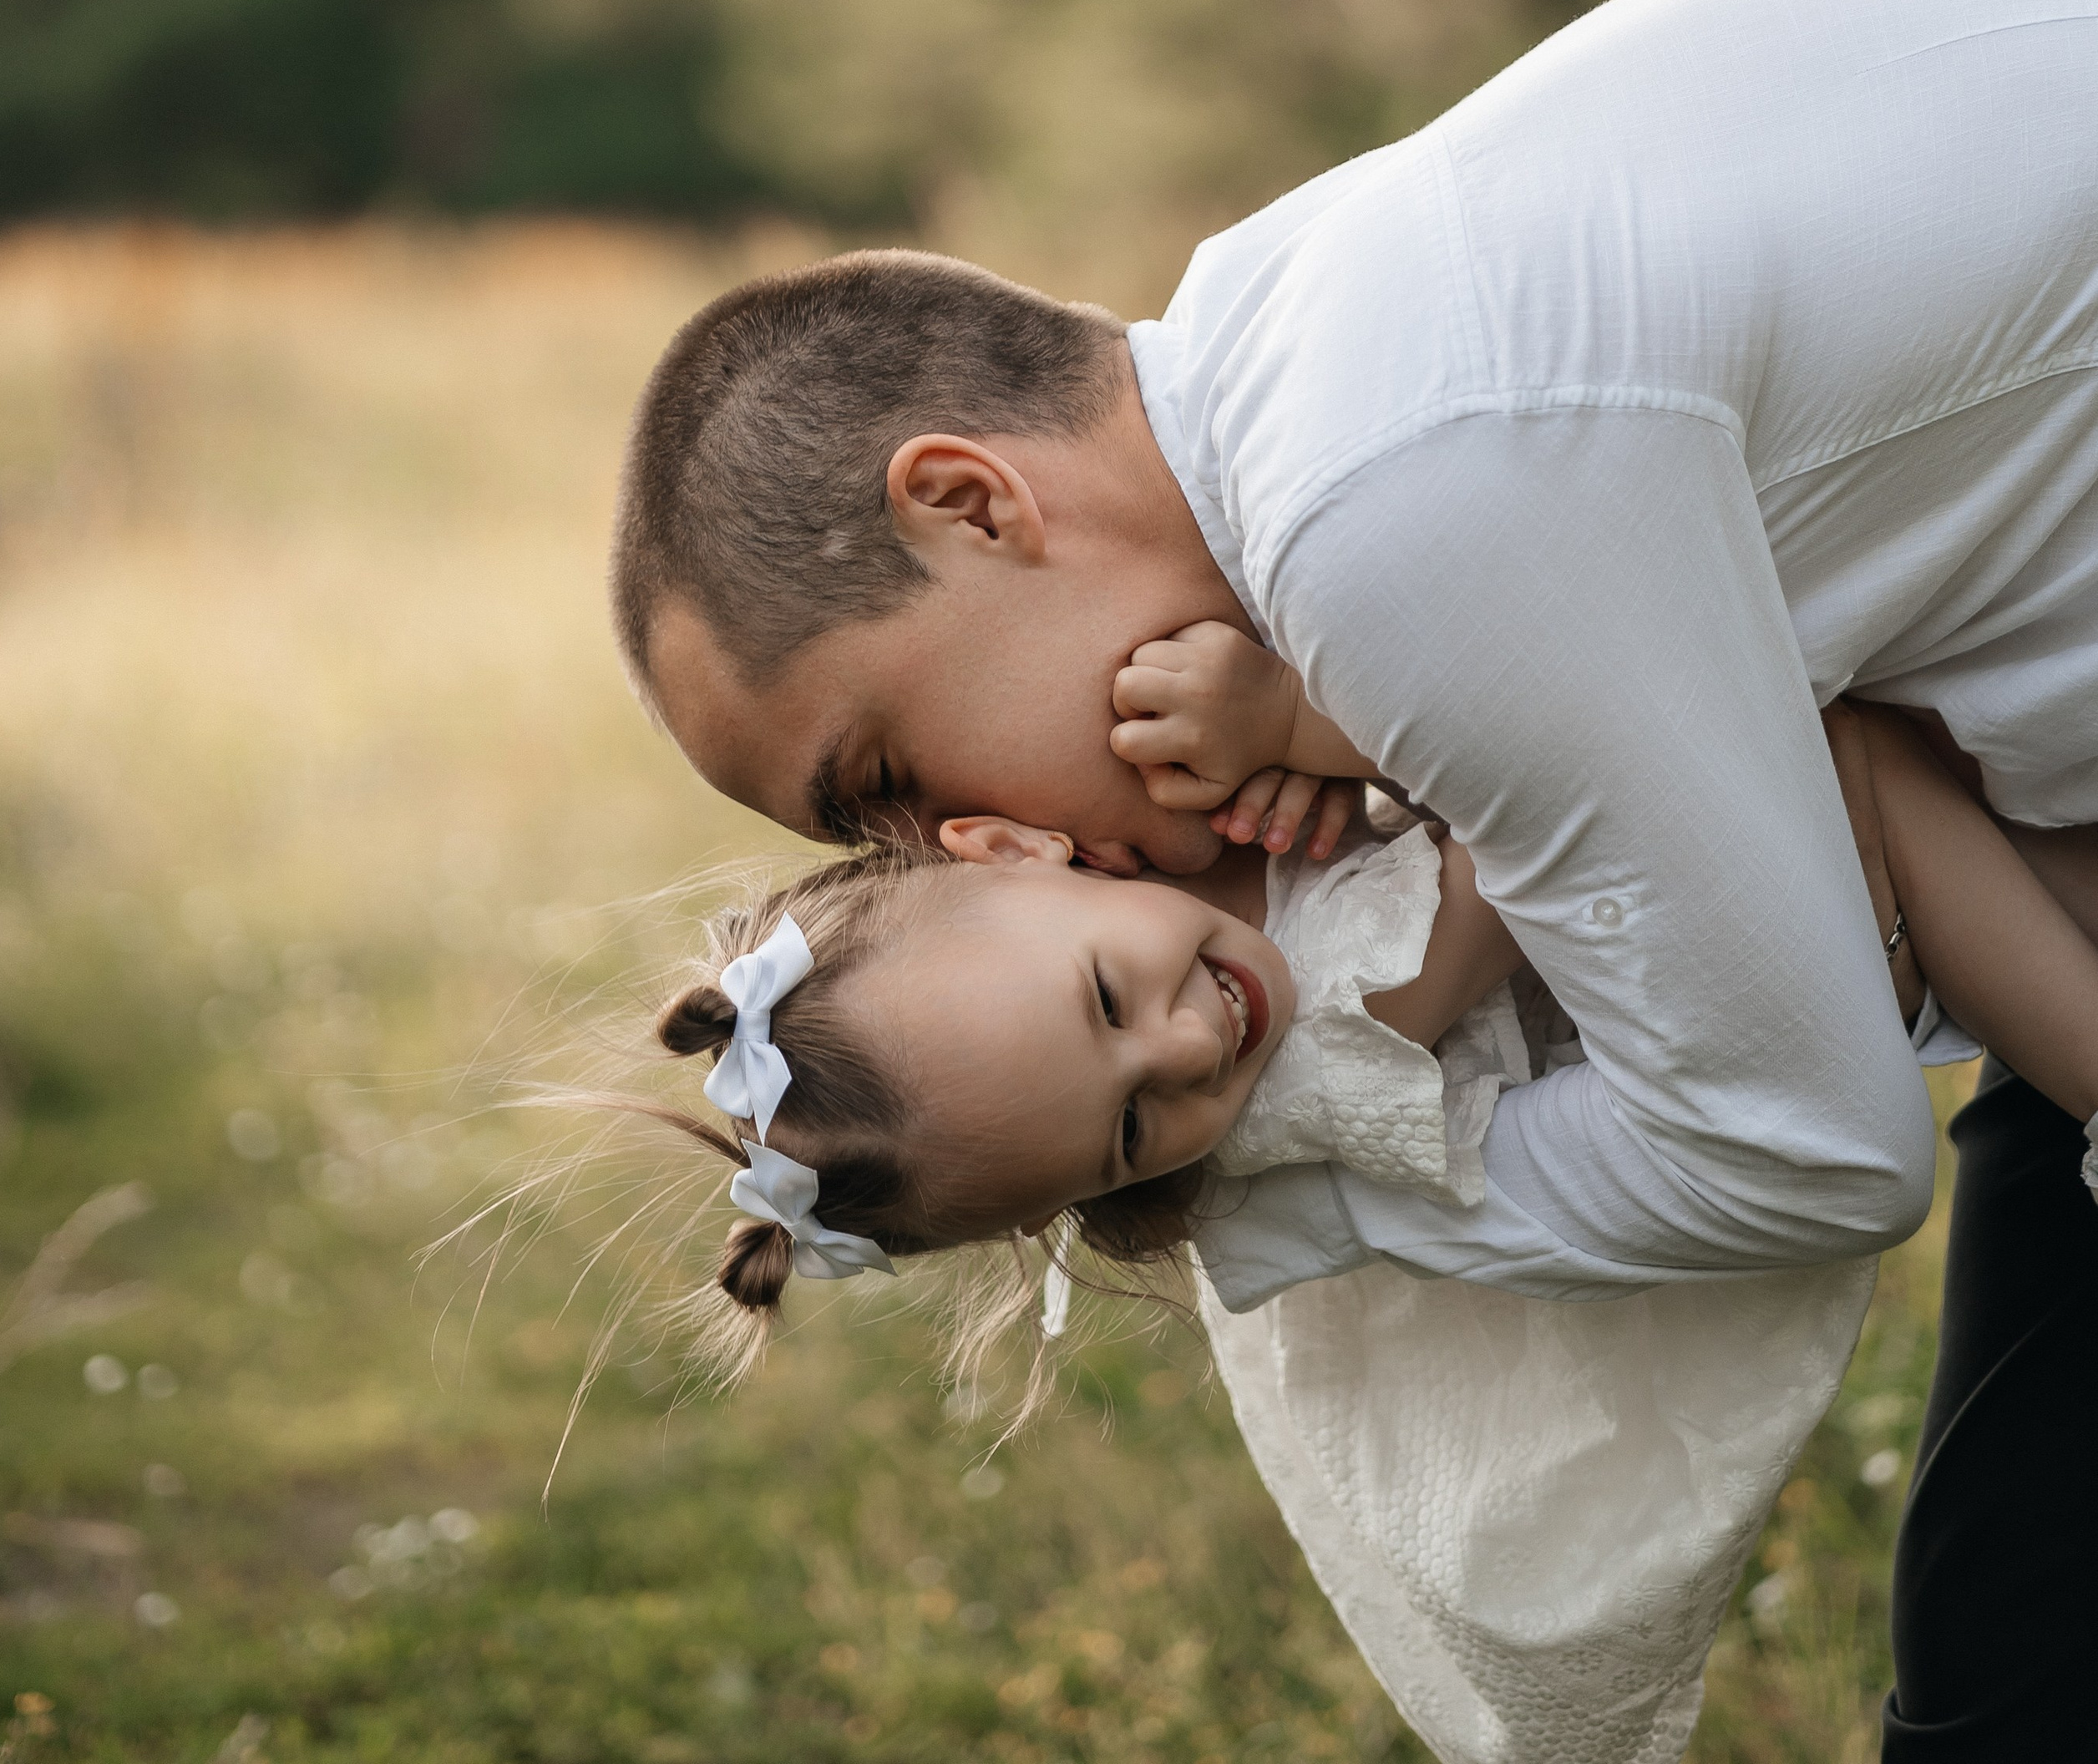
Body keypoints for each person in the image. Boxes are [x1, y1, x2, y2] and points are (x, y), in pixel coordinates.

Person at [611, 0, 2098, 1756]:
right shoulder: (1310, 328)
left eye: (885, 781)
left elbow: (1805, 1157)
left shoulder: (1388, 513)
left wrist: (1317, 1184)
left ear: (970, 503)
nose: (973, 841)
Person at [648, 678, 2098, 1760]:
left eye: (1104, 996)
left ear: (1015, 850)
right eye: (1133, 1131)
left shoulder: (1208, 866)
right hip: (1814, 897)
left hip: (1803, 868)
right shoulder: (1341, 1021)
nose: (1187, 1047)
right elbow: (1537, 792)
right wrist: (1305, 718)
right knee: (1875, 765)